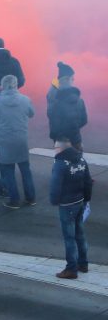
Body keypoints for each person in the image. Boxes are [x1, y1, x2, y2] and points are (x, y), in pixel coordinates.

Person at [0, 74, 35, 209]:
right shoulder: (25, 100)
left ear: (2, 86)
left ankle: (14, 200)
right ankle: (30, 198)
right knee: (25, 170)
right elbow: (31, 113)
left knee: (8, 172)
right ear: (16, 85)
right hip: (21, 140)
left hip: (5, 142)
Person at [50, 138, 92, 279]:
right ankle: (83, 263)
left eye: (55, 148)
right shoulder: (81, 160)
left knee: (69, 237)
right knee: (79, 234)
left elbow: (55, 185)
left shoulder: (60, 164)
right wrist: (86, 199)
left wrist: (54, 201)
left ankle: (71, 269)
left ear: (60, 149)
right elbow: (88, 181)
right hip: (79, 201)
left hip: (67, 205)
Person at [47, 62, 88, 150]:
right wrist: (74, 129)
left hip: (58, 138)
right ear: (67, 79)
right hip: (74, 138)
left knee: (61, 162)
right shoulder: (78, 100)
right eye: (72, 78)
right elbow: (84, 120)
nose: (73, 80)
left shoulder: (52, 94)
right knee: (76, 162)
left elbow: (51, 116)